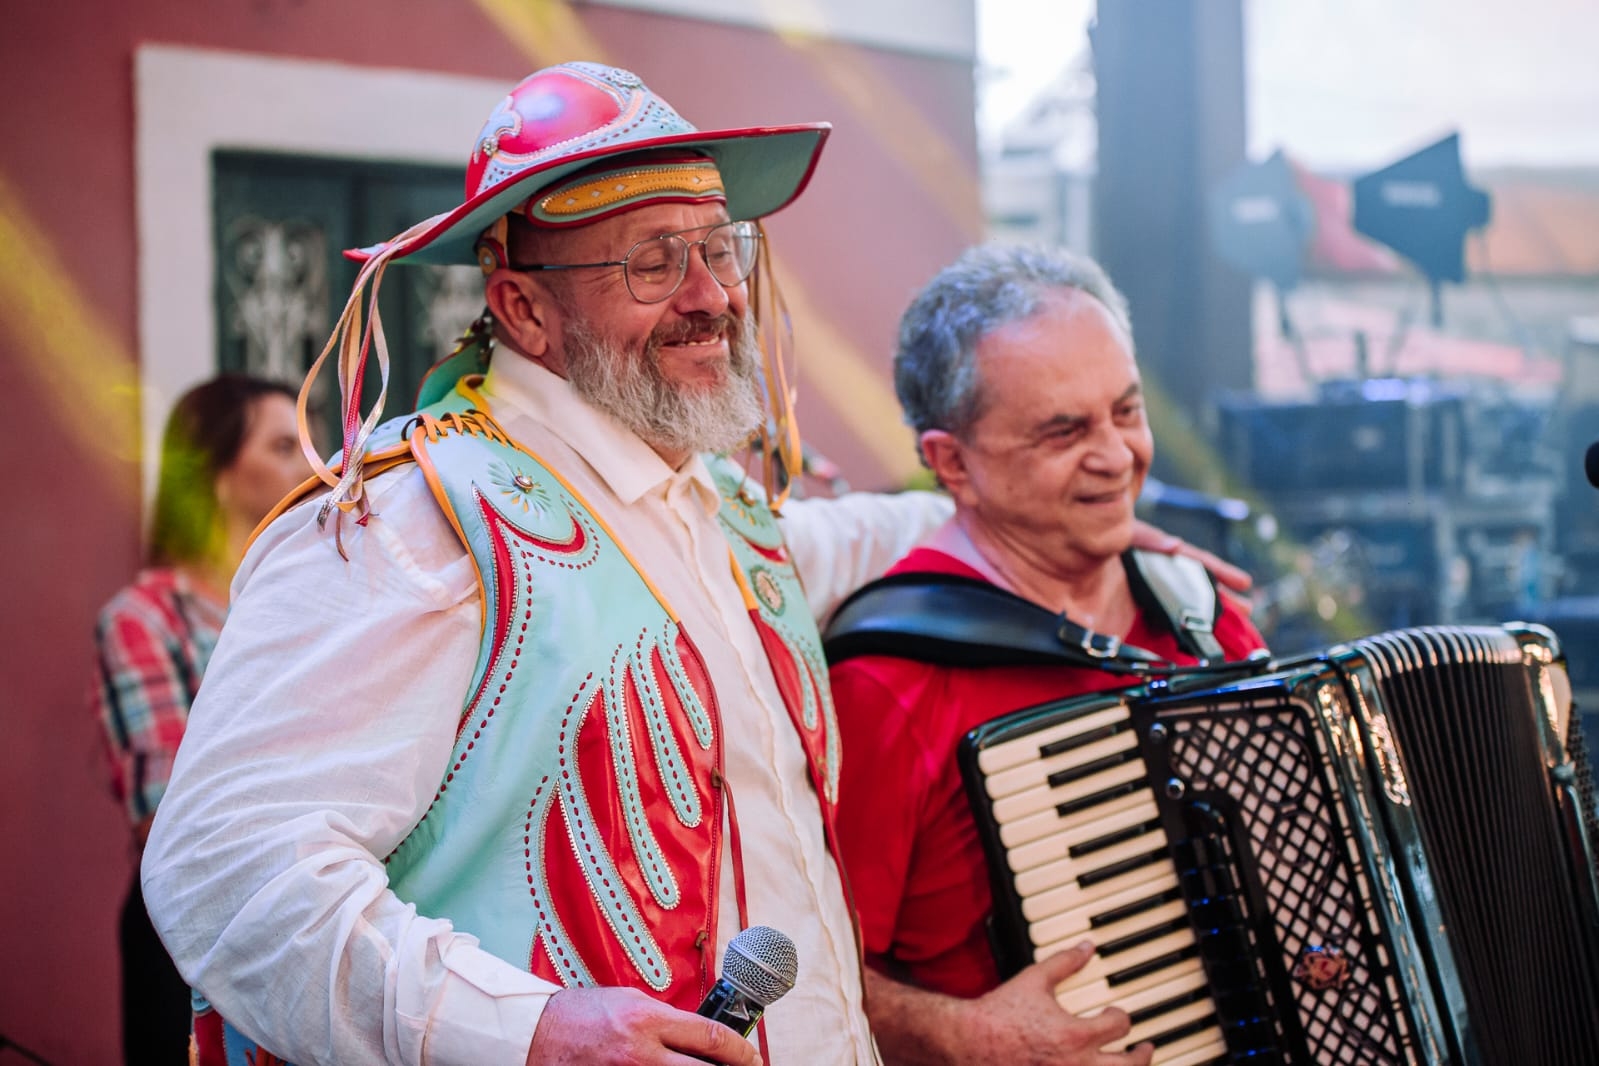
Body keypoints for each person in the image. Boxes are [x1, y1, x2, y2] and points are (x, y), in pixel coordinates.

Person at [142, 64, 1246, 1066]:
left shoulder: (717, 509)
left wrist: (1067, 512)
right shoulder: (418, 518)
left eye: (719, 248)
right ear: (524, 306)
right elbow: (225, 868)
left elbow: (858, 534)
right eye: (651, 259)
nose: (712, 293)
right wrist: (528, 1031)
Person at [828, 245, 1268, 1065]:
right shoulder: (886, 681)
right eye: (1064, 431)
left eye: (1126, 412)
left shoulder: (1197, 618)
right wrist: (957, 1035)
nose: (1115, 457)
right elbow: (810, 972)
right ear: (951, 462)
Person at [91, 373, 308, 1063]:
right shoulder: (144, 618)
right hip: (194, 928)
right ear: (217, 475)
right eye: (283, 445)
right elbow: (168, 815)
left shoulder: (315, 601)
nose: (314, 463)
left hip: (312, 914)